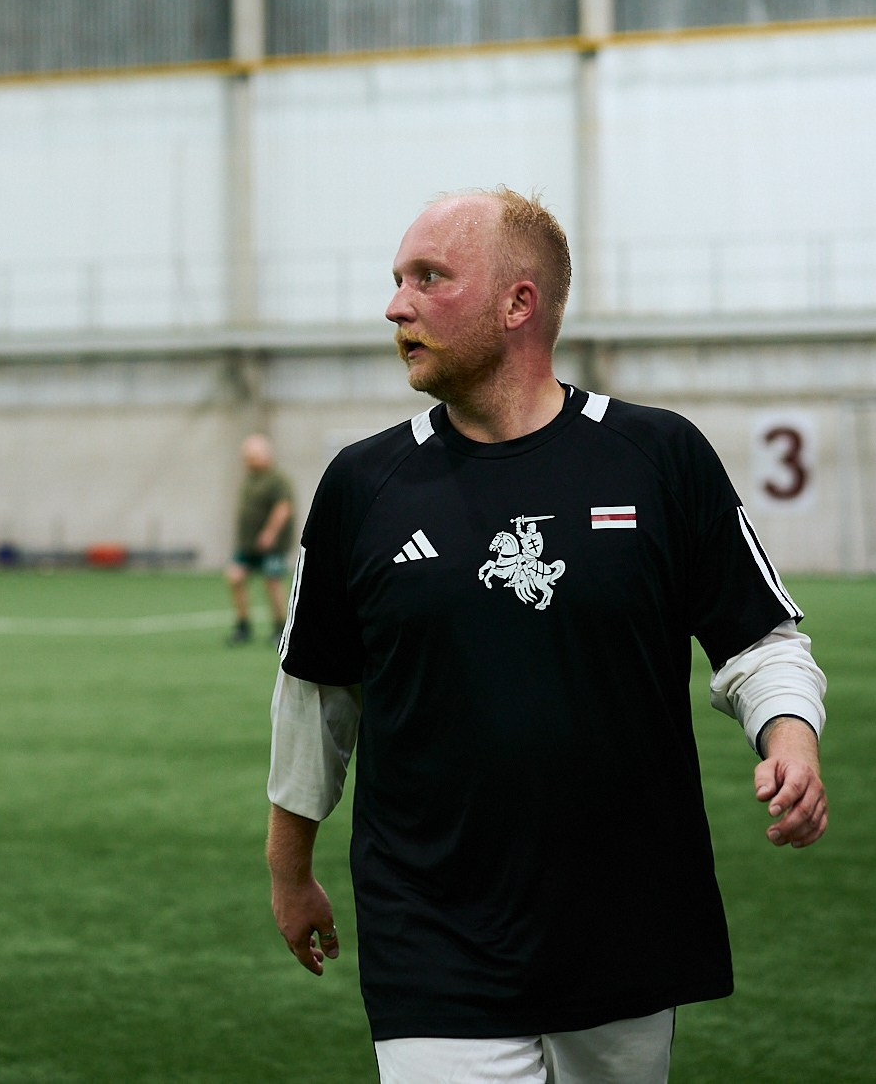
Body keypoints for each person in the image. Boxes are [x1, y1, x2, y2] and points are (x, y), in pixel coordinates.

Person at [265, 189, 827, 1083]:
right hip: (431, 932)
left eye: (428, 278)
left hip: (625, 921)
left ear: (517, 304)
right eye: (396, 280)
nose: (395, 306)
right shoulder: (362, 486)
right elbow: (318, 694)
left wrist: (790, 737)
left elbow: (760, 639)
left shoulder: (658, 456)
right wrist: (288, 869)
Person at [228, 435, 295, 645]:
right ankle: (243, 625)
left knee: (272, 582)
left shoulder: (277, 479)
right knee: (235, 577)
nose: (247, 461)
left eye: (252, 456)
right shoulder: (250, 478)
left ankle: (279, 628)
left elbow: (283, 508)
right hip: (248, 545)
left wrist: (270, 533)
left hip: (271, 546)